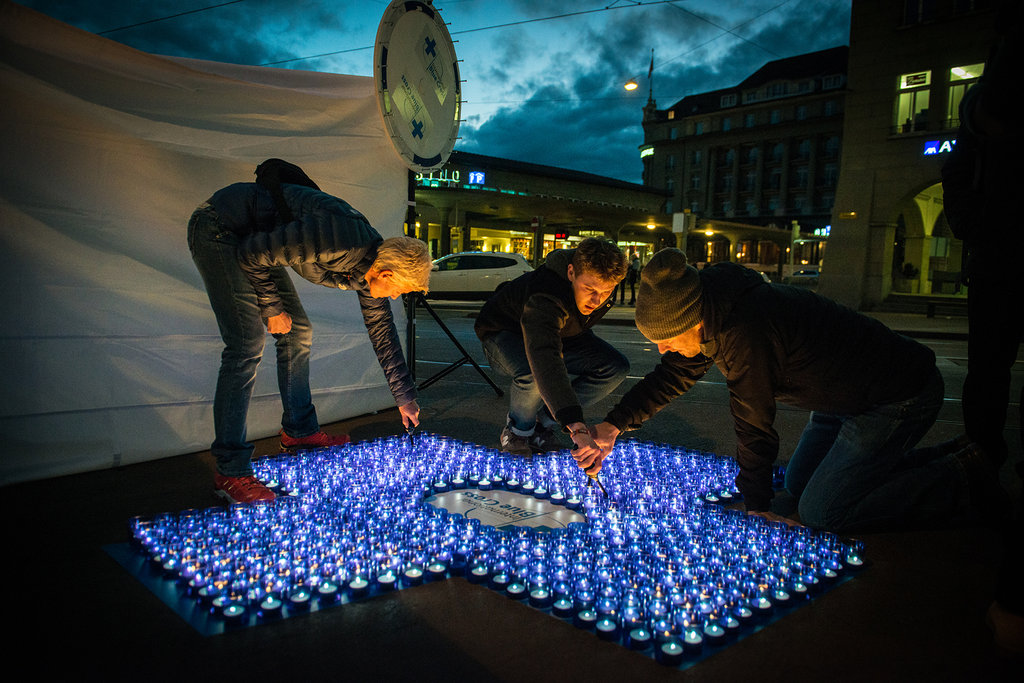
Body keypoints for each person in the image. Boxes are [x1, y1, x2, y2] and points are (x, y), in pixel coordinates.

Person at [574, 248, 1007, 532]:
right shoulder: (715, 312)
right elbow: (672, 376)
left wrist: (757, 507)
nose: (663, 349)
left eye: (667, 340)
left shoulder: (746, 331)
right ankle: (955, 454)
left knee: (825, 511)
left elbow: (753, 423)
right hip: (841, 400)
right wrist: (614, 425)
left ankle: (961, 475)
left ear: (694, 321)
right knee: (799, 485)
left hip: (896, 395)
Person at [188, 159, 432, 504]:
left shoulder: (369, 268)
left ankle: (299, 432)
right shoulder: (343, 241)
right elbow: (252, 255)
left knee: (298, 330)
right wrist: (272, 308)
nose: (394, 297)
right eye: (398, 291)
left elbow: (382, 333)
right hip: (221, 228)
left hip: (255, 241)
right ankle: (231, 470)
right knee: (246, 344)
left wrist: (404, 397)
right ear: (387, 274)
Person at [942, 0, 1024, 655]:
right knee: (986, 375)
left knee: (988, 373)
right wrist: (971, 219)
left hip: (998, 252)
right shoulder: (999, 71)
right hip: (997, 258)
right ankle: (981, 468)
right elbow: (961, 158)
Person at [475, 237, 629, 456]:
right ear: (571, 272)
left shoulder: (595, 292)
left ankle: (542, 424)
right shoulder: (546, 294)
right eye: (589, 289)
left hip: (558, 333)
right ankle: (519, 431)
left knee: (614, 367)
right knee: (532, 372)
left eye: (606, 292)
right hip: (503, 333)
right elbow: (544, 356)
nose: (597, 301)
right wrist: (575, 424)